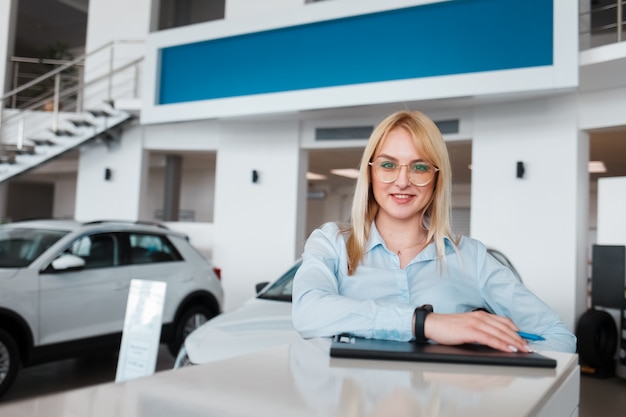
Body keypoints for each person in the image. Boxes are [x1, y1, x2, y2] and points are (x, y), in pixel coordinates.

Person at [291, 110, 576, 353]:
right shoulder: (331, 244)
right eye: (388, 165)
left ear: (437, 178)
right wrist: (426, 323)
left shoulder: (471, 258)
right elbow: (308, 312)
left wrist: (489, 359)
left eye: (420, 167)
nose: (402, 181)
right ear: (370, 172)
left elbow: (558, 337)